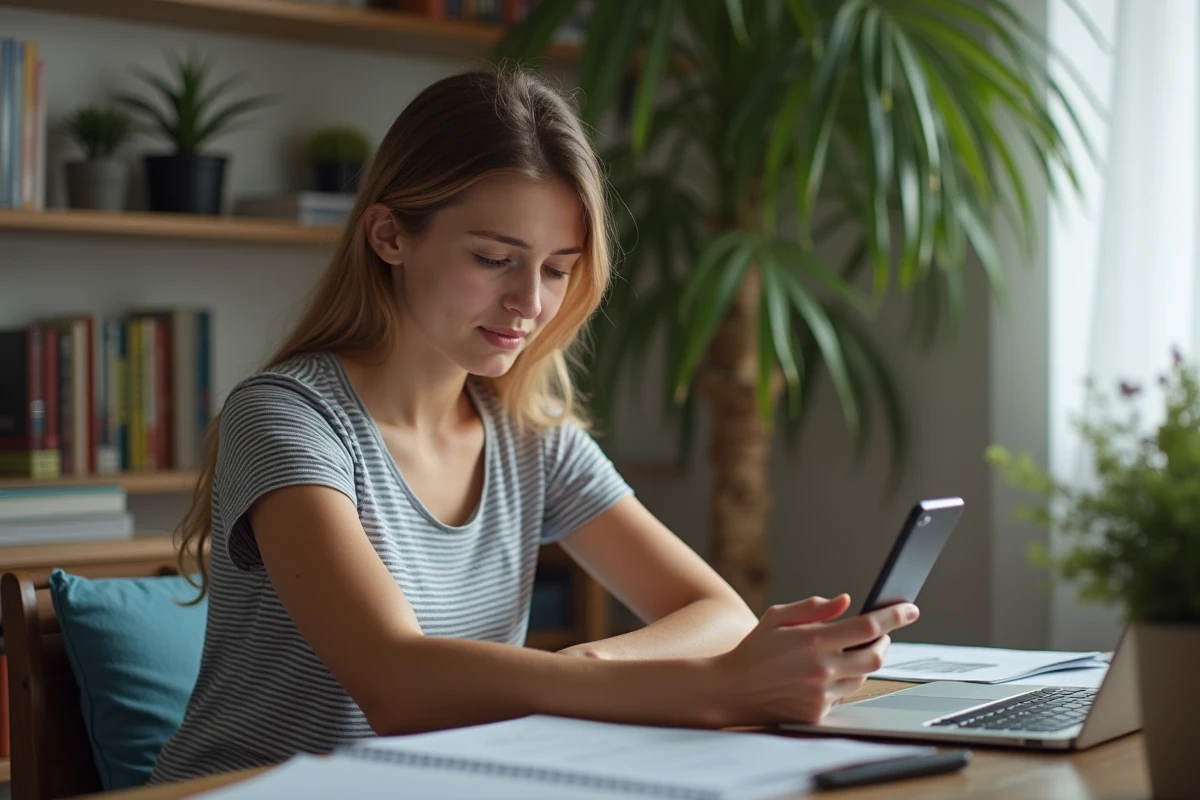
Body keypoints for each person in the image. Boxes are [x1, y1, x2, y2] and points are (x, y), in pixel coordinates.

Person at [149, 66, 918, 784]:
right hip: (251, 790)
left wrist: (588, 670)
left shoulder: (528, 432)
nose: (531, 303)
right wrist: (705, 689)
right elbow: (397, 685)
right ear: (389, 237)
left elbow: (716, 613)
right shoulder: (286, 417)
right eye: (494, 258)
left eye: (557, 268)